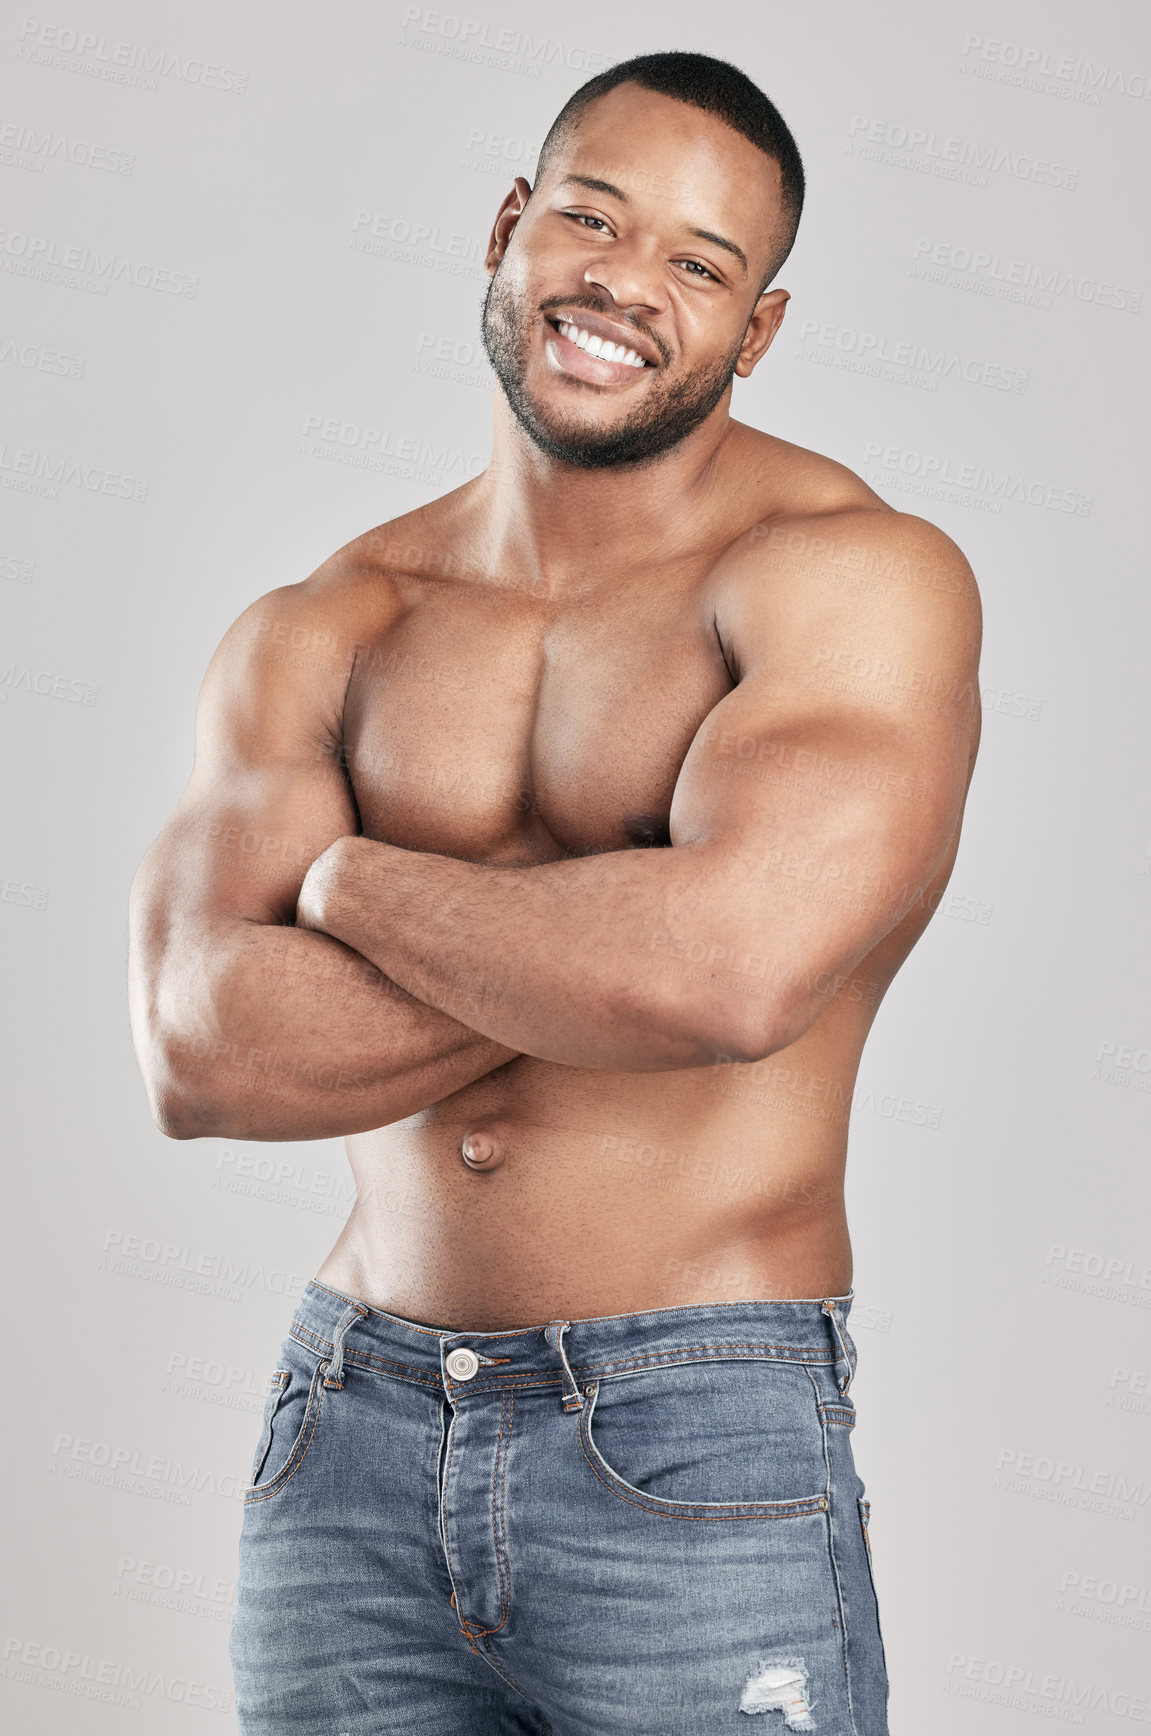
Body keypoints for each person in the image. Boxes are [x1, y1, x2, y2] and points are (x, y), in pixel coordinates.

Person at [129, 50, 980, 1736]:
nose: (622, 285)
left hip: (690, 1423)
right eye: (590, 218)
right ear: (511, 227)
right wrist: (610, 931)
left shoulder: (846, 580)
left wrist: (353, 879)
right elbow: (203, 1051)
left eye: (698, 262)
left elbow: (726, 981)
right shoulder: (335, 613)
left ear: (760, 329)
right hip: (350, 1426)